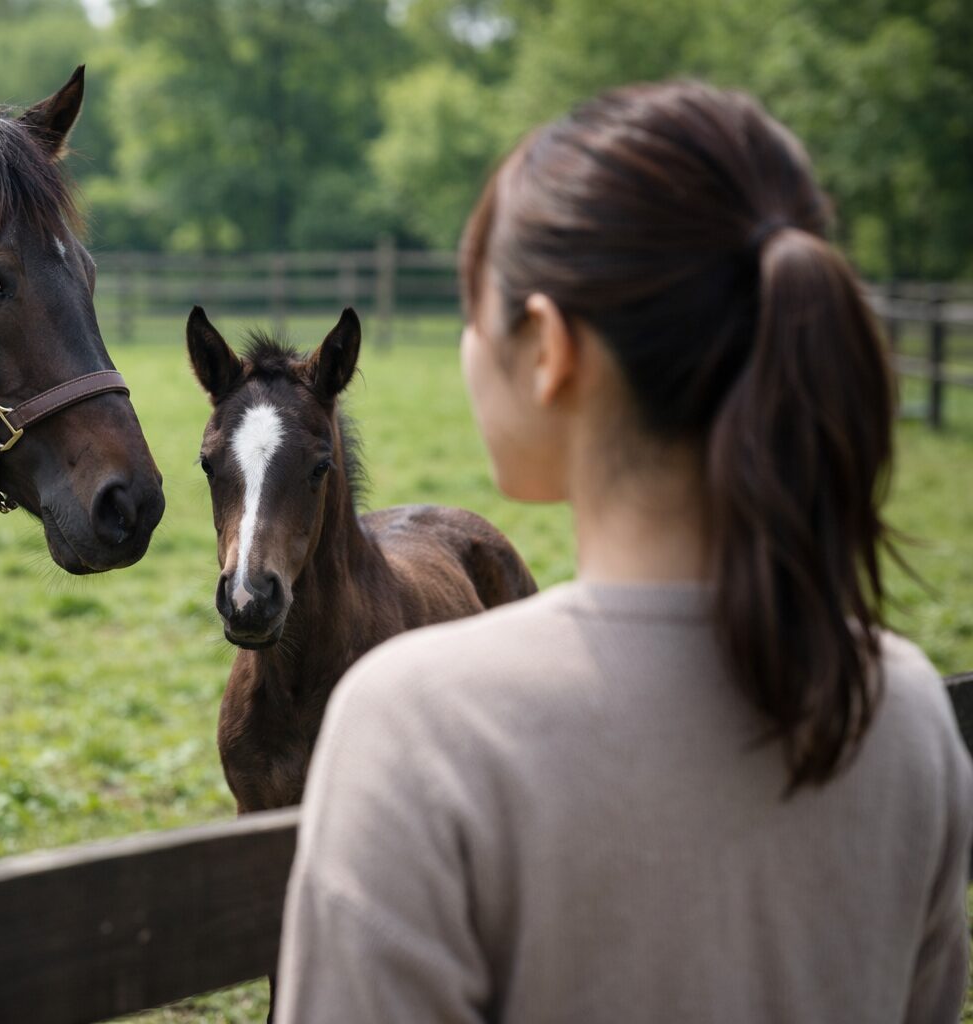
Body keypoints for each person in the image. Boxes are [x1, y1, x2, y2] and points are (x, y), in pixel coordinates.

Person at [275, 80, 972, 1023]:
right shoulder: (902, 707)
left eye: (474, 311)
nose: (468, 343)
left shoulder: (416, 725)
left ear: (550, 349)